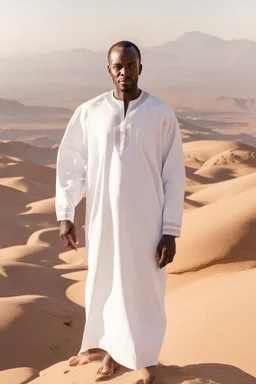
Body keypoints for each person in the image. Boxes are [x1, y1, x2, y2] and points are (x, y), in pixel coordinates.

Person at [55, 41, 186, 380]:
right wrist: (66, 211)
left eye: (131, 65)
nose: (124, 72)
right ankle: (105, 348)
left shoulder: (160, 113)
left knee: (142, 287)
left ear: (140, 68)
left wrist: (170, 229)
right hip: (102, 219)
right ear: (109, 70)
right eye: (118, 66)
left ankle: (141, 356)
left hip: (147, 222)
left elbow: (173, 173)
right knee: (105, 281)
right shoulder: (89, 112)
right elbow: (72, 164)